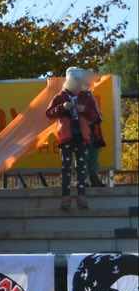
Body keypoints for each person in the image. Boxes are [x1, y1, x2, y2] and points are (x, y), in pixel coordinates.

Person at [46, 67, 99, 209]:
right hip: (66, 137)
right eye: (74, 81)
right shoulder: (60, 96)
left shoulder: (86, 96)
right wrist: (62, 107)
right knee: (66, 168)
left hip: (82, 137)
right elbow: (49, 113)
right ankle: (66, 197)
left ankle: (81, 196)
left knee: (82, 167)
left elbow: (95, 116)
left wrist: (85, 110)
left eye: (79, 81)